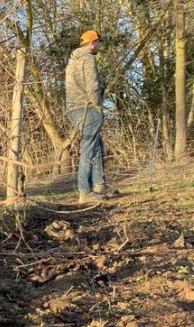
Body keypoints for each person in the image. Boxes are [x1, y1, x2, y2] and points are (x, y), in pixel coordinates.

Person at [65, 30, 119, 204]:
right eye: (98, 42)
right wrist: (98, 106)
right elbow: (93, 85)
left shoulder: (73, 60)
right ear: (93, 43)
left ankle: (99, 185)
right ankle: (84, 191)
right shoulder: (88, 59)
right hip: (87, 108)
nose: (99, 45)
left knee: (96, 145)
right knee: (88, 149)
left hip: (74, 108)